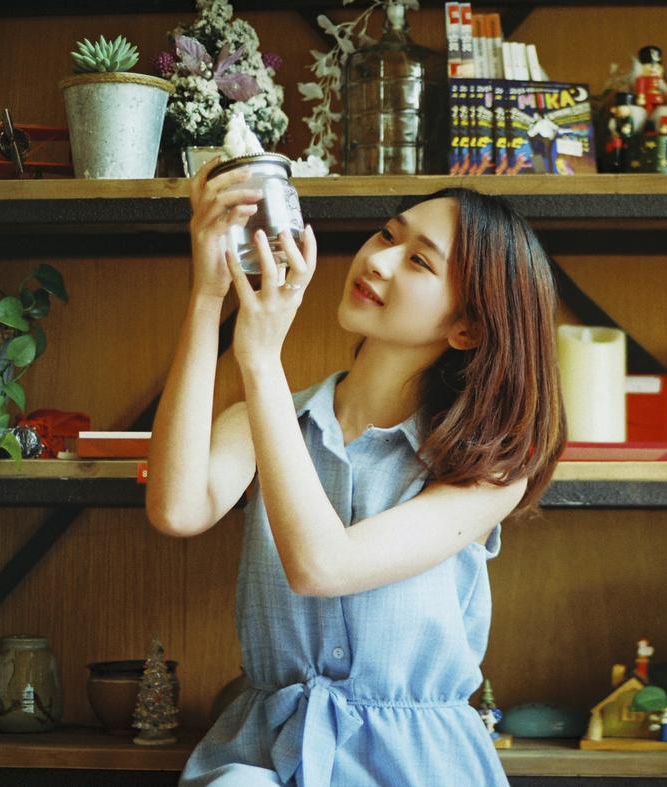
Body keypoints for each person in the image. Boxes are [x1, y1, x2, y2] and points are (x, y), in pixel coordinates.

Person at [147, 159, 566, 786]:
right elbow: (176, 510)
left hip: (417, 766)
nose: (379, 260)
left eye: (418, 261)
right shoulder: (262, 421)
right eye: (388, 235)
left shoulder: (488, 470)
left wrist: (261, 360)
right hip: (268, 753)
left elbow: (323, 567)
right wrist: (209, 296)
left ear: (467, 327)